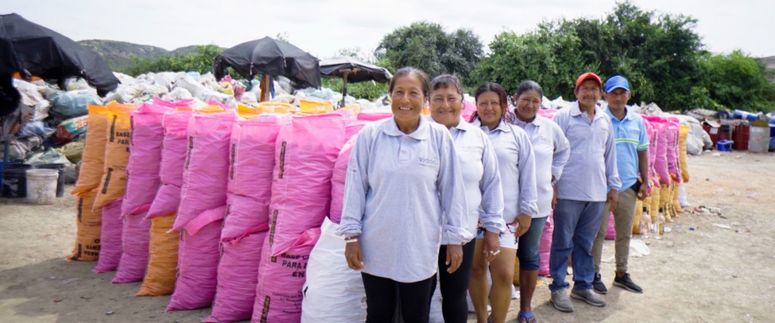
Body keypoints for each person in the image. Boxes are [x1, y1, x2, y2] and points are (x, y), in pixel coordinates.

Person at [337, 67, 473, 323]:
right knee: (378, 313)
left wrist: (455, 239)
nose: (406, 100)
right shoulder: (370, 136)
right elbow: (355, 187)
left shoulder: (438, 137)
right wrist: (351, 237)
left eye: (413, 93)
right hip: (376, 243)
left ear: (424, 99)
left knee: (416, 314)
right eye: (399, 92)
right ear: (390, 96)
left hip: (419, 245)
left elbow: (453, 191)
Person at [428, 74, 506, 323]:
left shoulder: (477, 138)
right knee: (418, 297)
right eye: (438, 98)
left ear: (462, 101)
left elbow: (492, 184)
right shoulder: (418, 134)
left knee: (455, 296)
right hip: (421, 233)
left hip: (461, 233)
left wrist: (493, 229)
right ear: (428, 101)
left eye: (451, 98)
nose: (445, 105)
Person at [549, 72, 621, 312]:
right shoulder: (563, 116)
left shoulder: (604, 120)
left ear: (600, 93)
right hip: (568, 190)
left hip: (597, 193)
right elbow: (553, 152)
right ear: (576, 91)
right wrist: (552, 186)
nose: (589, 93)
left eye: (594, 88)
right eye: (585, 88)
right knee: (562, 242)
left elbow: (610, 155)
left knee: (585, 243)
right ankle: (558, 287)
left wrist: (614, 186)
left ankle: (582, 285)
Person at [469, 82, 538, 323]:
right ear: (476, 106)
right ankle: (480, 317)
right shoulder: (467, 134)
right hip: (472, 217)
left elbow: (529, 175)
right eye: (483, 103)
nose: (488, 108)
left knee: (505, 274)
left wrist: (527, 211)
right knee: (476, 270)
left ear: (503, 106)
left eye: (493, 103)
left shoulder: (517, 136)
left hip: (506, 220)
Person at [511, 80, 571, 322]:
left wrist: (553, 175)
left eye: (535, 100)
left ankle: (526, 307)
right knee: (498, 257)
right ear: (515, 98)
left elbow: (564, 150)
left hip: (537, 204)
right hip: (505, 203)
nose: (530, 104)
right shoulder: (502, 123)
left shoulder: (549, 127)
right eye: (525, 99)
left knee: (529, 255)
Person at [591, 75, 650, 294]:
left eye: (622, 93)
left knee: (624, 233)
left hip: (628, 185)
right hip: (602, 187)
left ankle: (621, 273)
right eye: (613, 93)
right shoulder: (599, 119)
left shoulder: (637, 121)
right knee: (598, 233)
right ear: (605, 95)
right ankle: (594, 274)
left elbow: (642, 151)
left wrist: (645, 180)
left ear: (629, 95)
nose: (618, 97)